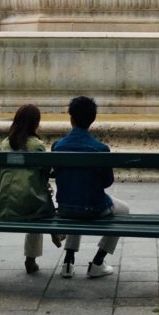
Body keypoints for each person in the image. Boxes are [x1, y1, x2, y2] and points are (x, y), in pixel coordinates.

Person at [52, 95, 129, 279]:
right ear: (92, 120)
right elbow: (107, 182)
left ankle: (68, 262)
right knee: (124, 210)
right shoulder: (100, 149)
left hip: (65, 208)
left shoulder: (58, 146)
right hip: (93, 208)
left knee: (75, 198)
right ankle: (98, 262)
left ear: (71, 118)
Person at [0, 103, 63, 273]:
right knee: (37, 203)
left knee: (35, 196)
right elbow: (46, 173)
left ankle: (43, 246)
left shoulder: (4, 144)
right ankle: (47, 241)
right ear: (36, 123)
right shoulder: (37, 145)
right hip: (28, 206)